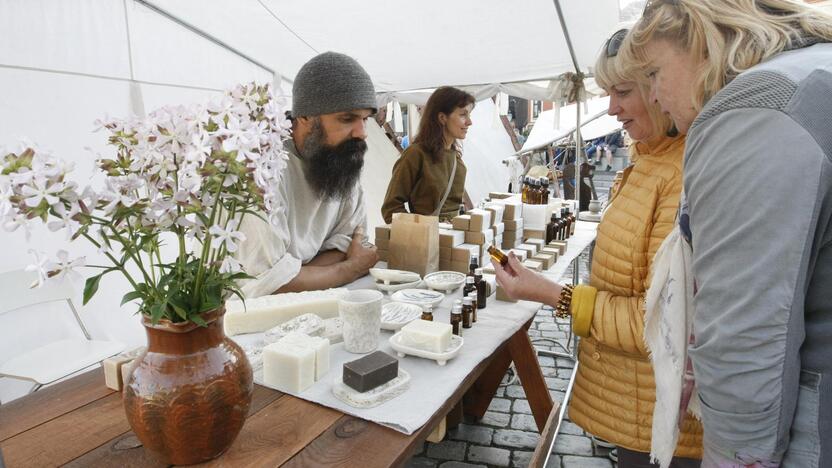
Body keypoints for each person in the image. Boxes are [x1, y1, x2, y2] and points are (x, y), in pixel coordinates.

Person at [625, 1, 832, 466]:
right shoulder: (814, 73)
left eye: (654, 73)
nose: (654, 95)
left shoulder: (755, 111)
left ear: (702, 39)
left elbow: (746, 343)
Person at [495, 26, 702, 467]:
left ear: (663, 84)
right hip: (639, 407)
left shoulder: (681, 174)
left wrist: (550, 293)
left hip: (663, 422)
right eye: (608, 92)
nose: (611, 109)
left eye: (622, 91)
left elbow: (659, 324)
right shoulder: (650, 159)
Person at [235, 52, 379, 296]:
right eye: (347, 118)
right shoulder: (259, 168)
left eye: (365, 119)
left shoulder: (339, 160)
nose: (361, 132)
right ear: (304, 117)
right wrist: (351, 269)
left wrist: (297, 274)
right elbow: (266, 284)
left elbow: (349, 243)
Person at [381, 87, 474, 223]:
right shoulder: (416, 154)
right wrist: (423, 229)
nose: (469, 122)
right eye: (463, 115)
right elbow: (391, 208)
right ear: (442, 117)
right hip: (426, 239)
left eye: (469, 115)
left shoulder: (456, 158)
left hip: (454, 239)